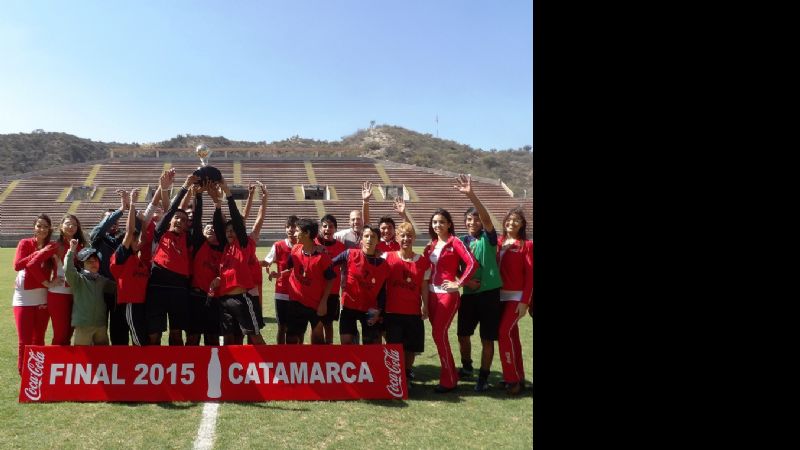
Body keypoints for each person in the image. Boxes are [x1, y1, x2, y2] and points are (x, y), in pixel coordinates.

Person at [453, 174, 504, 392]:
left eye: (475, 219)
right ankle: (467, 367)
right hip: (470, 295)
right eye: (469, 219)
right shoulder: (462, 241)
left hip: (490, 294)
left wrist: (471, 195)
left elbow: (486, 219)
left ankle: (483, 377)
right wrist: (461, 282)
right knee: (463, 335)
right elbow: (454, 269)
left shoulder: (489, 237)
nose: (472, 222)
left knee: (487, 338)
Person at [424, 208, 477, 393]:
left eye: (441, 222)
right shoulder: (431, 245)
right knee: (439, 336)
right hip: (431, 295)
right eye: (435, 222)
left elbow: (472, 263)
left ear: (449, 224)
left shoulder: (455, 242)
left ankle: (448, 380)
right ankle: (451, 374)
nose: (438, 225)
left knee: (439, 334)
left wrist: (459, 283)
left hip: (448, 295)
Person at [210, 178, 266, 345]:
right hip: (224, 301)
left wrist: (228, 194)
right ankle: (232, 370)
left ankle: (272, 367)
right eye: (228, 230)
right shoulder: (225, 249)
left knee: (254, 336)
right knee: (229, 340)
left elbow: (248, 220)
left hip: (242, 299)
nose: (230, 233)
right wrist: (217, 204)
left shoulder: (243, 244)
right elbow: (218, 224)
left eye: (234, 230)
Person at [145, 172, 196, 346]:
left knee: (176, 335)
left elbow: (193, 216)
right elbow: (171, 209)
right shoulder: (161, 232)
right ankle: (154, 369)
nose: (180, 221)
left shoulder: (186, 237)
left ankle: (177, 370)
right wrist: (183, 187)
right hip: (157, 288)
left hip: (179, 289)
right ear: (170, 220)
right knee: (154, 336)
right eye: (177, 218)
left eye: (184, 219)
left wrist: (196, 193)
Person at [382, 222, 430, 382]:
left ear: (414, 238)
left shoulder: (422, 262)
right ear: (397, 238)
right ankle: (394, 374)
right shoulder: (387, 257)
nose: (406, 239)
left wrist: (425, 305)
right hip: (392, 310)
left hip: (413, 311)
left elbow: (424, 286)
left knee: (411, 347)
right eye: (402, 235)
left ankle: (407, 372)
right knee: (394, 345)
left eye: (409, 236)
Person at [12, 214, 56, 374]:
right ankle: (23, 372)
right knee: (24, 340)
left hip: (42, 296)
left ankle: (38, 371)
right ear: (34, 227)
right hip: (23, 296)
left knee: (39, 338)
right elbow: (18, 265)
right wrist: (39, 253)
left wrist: (49, 284)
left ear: (50, 228)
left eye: (45, 226)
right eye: (39, 226)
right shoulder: (25, 243)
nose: (42, 229)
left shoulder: (52, 246)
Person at [332, 225, 390, 345]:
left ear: (378, 241)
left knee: (371, 346)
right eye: (366, 236)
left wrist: (379, 312)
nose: (369, 239)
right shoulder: (349, 254)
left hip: (370, 309)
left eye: (373, 237)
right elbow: (328, 265)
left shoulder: (384, 264)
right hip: (349, 307)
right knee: (347, 344)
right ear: (361, 239)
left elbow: (383, 291)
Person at [496, 208, 533, 395]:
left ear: (522, 225)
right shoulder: (498, 242)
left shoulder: (526, 245)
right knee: (513, 337)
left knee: (503, 333)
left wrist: (525, 301)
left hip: (516, 297)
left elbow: (530, 276)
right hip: (498, 297)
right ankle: (518, 376)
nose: (512, 223)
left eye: (517, 220)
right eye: (509, 219)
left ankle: (511, 379)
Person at [89, 189, 133, 345]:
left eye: (116, 219)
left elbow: (135, 229)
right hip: (99, 288)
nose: (113, 222)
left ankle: (120, 362)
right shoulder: (97, 237)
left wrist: (131, 205)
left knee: (119, 328)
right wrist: (121, 209)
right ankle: (101, 363)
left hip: (118, 289)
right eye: (109, 219)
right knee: (99, 328)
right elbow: (101, 229)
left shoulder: (122, 237)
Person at [110, 189, 153, 346]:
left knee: (143, 338)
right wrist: (132, 205)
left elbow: (145, 238)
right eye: (134, 241)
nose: (138, 242)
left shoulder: (138, 258)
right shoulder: (121, 256)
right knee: (139, 340)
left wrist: (142, 225)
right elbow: (129, 232)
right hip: (131, 303)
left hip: (142, 303)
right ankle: (140, 364)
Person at [283, 218, 336, 345]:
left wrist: (323, 302)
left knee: (318, 340)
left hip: (315, 304)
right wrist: (279, 273)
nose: (294, 234)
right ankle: (295, 364)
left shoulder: (322, 255)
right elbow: (289, 267)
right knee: (291, 339)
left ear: (306, 233)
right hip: (296, 301)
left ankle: (318, 364)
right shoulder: (295, 249)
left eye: (297, 231)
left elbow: (330, 279)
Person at [186, 181, 224, 346]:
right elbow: (197, 219)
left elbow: (222, 224)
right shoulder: (200, 244)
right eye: (207, 229)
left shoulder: (223, 248)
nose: (211, 230)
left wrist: (217, 203)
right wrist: (199, 195)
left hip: (215, 299)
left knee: (213, 338)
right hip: (196, 296)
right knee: (193, 337)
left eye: (213, 229)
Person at [64, 240, 116, 346]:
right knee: (81, 357)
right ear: (82, 265)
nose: (94, 263)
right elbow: (68, 270)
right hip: (83, 325)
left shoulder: (102, 280)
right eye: (89, 261)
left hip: (101, 325)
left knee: (103, 357)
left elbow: (118, 288)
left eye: (95, 260)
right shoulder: (78, 279)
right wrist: (71, 251)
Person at [46, 213, 87, 345]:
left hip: (77, 295)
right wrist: (47, 282)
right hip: (59, 295)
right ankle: (55, 363)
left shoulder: (82, 246)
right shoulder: (54, 245)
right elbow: (32, 263)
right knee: (60, 336)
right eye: (68, 223)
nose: (71, 226)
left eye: (74, 224)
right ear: (61, 226)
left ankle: (64, 364)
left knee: (69, 334)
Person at [263, 215, 299, 344]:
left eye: (294, 226)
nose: (290, 229)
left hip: (299, 293)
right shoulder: (278, 245)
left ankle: (296, 355)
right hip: (282, 292)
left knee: (296, 328)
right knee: (282, 327)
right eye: (288, 226)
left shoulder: (303, 246)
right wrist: (265, 265)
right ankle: (280, 355)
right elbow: (267, 261)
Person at [311, 214, 346, 344]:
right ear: (320, 228)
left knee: (328, 323)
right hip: (315, 291)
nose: (327, 229)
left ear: (335, 229)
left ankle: (329, 350)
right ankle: (315, 351)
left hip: (332, 291)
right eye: (324, 226)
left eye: (331, 226)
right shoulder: (313, 244)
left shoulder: (341, 247)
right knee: (315, 323)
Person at [360, 181, 403, 253]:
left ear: (394, 229)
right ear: (378, 230)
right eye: (383, 228)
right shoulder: (374, 243)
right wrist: (365, 201)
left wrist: (403, 214)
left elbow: (409, 231)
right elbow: (366, 223)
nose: (386, 231)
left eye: (390, 227)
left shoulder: (400, 244)